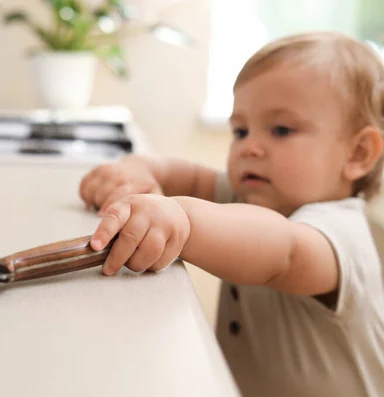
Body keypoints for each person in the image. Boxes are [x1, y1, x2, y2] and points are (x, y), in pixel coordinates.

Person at [79, 31, 384, 396]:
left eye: (281, 129)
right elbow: (192, 178)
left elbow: (284, 252)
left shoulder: (340, 231)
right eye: (240, 130)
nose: (248, 147)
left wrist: (184, 218)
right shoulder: (256, 196)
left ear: (358, 154)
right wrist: (140, 169)